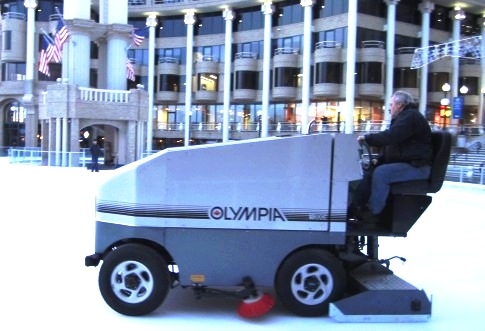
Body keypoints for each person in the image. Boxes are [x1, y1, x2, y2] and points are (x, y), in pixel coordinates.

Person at [352, 90, 433, 224]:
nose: (389, 109)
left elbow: (391, 136)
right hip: (411, 163)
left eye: (391, 105)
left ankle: (372, 213)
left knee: (382, 173)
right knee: (371, 171)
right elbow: (395, 145)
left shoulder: (410, 117)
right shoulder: (405, 117)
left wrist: (368, 138)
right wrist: (380, 159)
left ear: (400, 105)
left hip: (418, 166)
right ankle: (357, 205)